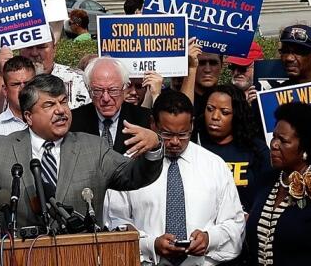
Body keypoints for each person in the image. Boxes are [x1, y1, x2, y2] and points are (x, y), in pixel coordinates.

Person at [0, 73, 166, 230]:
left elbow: (135, 176)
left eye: (63, 102)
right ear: (28, 117)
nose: (61, 111)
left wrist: (154, 147)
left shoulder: (92, 148)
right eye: (49, 105)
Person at [104, 92, 246, 266]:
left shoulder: (214, 166)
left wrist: (210, 239)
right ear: (153, 124)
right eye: (167, 134)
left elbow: (235, 223)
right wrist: (151, 245)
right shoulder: (129, 165)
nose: (175, 142)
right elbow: (115, 222)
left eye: (183, 134)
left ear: (192, 124)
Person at [242, 100, 311, 266]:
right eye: (274, 137)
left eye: (283, 141)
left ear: (305, 147)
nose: (274, 145)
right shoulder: (266, 180)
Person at [196, 84, 268, 208]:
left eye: (224, 112)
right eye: (210, 109)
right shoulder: (195, 146)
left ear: (237, 115)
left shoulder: (255, 148)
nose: (215, 117)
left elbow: (269, 190)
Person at [71, 57, 151, 152]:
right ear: (88, 90)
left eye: (113, 90)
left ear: (124, 88)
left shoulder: (144, 119)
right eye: (98, 91)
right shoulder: (73, 121)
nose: (106, 98)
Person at [21, 38, 91, 108]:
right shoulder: (12, 82)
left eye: (41, 47)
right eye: (28, 47)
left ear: (54, 49)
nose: (34, 53)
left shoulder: (78, 79)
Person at [0, 55, 35, 136]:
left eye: (28, 83)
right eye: (16, 84)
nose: (23, 89)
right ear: (5, 91)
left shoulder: (52, 123)